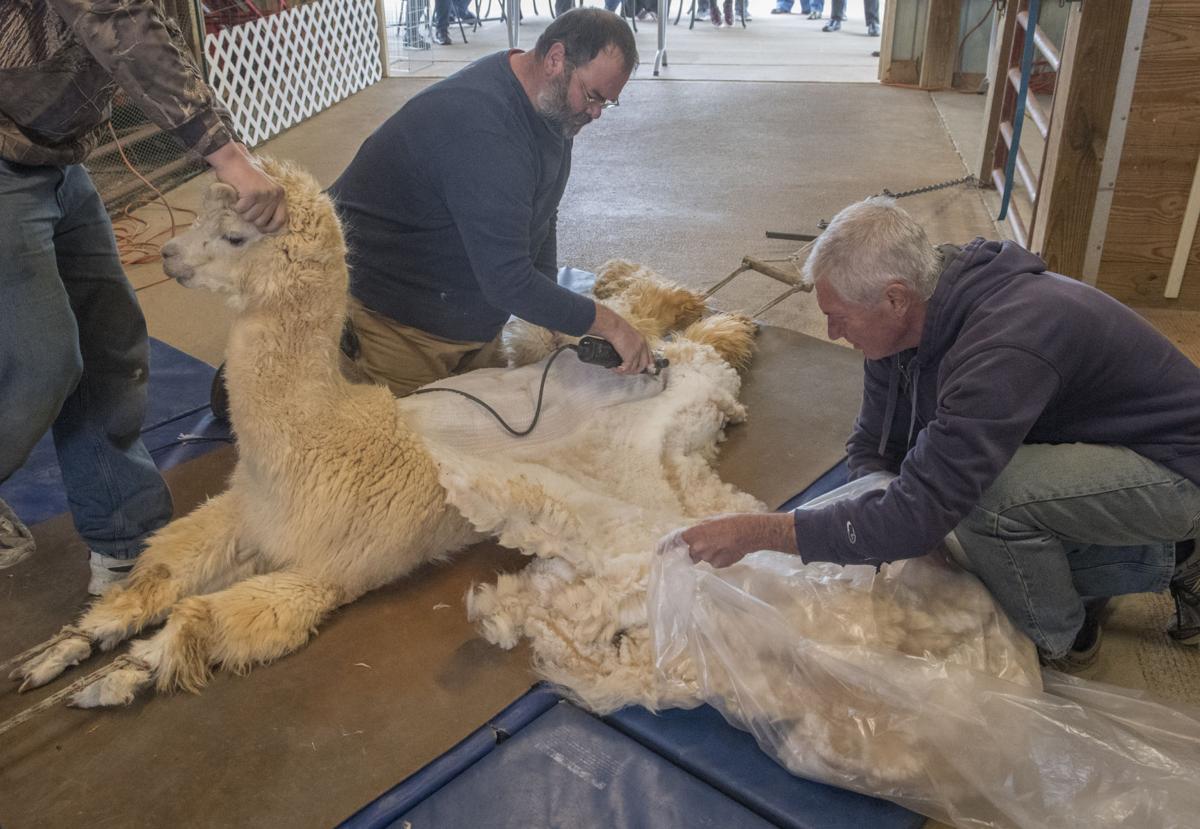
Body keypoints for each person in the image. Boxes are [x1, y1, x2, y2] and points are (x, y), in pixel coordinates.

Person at [674, 197, 1200, 670]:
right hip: (1091, 440)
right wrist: (885, 511)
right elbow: (875, 445)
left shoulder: (1003, 349)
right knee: (949, 538)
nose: (833, 333)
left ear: (895, 299)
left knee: (986, 507)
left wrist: (761, 533)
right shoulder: (911, 315)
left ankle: (1067, 636)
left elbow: (921, 512)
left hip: (1173, 466)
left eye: (839, 318)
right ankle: (1143, 558)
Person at [0, 0, 286, 595]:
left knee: (111, 346)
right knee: (40, 363)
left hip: (51, 152)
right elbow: (120, 19)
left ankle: (127, 545)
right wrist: (229, 156)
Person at [330, 8, 652, 397]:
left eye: (608, 103)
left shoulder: (553, 107)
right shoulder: (483, 127)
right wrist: (609, 324)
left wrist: (549, 306)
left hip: (465, 315)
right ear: (555, 59)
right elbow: (508, 281)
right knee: (404, 450)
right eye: (593, 96)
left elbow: (542, 210)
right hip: (396, 323)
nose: (597, 113)